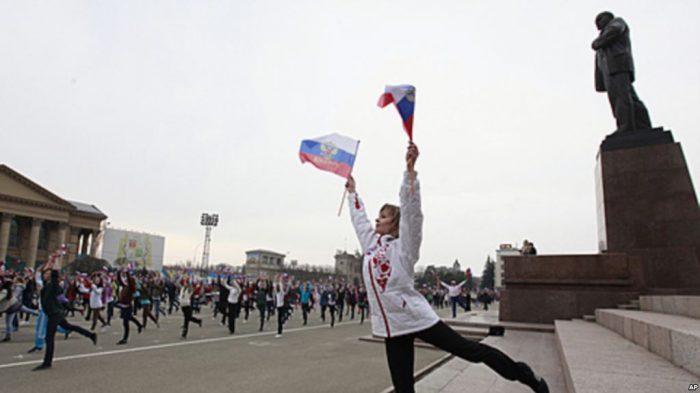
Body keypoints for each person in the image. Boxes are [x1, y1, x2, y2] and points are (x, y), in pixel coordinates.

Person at [345, 142, 548, 393]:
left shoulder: (405, 247)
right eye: (379, 215)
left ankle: (525, 375)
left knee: (470, 351)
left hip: (416, 318)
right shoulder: (371, 244)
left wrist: (410, 173)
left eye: (384, 216)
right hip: (393, 326)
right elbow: (360, 221)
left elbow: (411, 214)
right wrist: (353, 192)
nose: (377, 219)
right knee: (403, 386)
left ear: (395, 224)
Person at [33, 250, 96, 371]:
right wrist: (50, 260)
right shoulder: (45, 285)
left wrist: (56, 260)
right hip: (54, 312)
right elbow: (40, 272)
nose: (45, 274)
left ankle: (47, 362)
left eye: (48, 274)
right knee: (69, 326)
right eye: (45, 273)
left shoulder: (53, 285)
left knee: (49, 337)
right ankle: (91, 335)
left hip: (55, 314)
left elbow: (55, 272)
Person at [592, 11, 651, 132]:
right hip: (611, 69)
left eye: (599, 20)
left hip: (617, 66)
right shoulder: (605, 32)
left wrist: (596, 43)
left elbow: (613, 31)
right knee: (627, 97)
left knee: (620, 98)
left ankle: (625, 126)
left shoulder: (616, 23)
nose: (597, 25)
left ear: (607, 18)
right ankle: (642, 125)